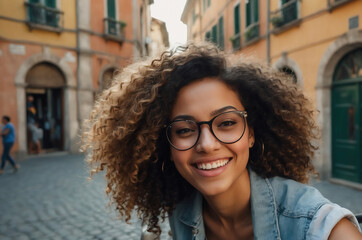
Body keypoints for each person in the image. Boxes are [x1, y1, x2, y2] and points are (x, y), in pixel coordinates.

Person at [82, 43, 361, 239]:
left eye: (226, 123)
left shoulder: (319, 227)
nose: (206, 144)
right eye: (184, 130)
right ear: (164, 145)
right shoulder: (172, 224)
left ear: (251, 133)